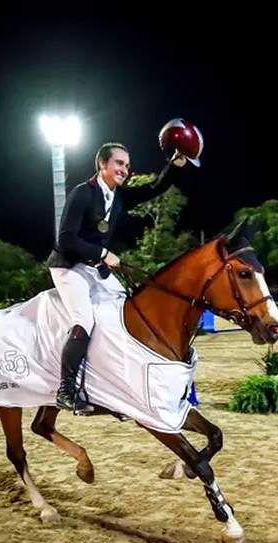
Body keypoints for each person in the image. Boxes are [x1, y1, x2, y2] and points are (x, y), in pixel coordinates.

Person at [46, 141, 189, 415]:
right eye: (119, 163)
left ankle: (119, 381)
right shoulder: (82, 193)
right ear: (103, 164)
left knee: (127, 309)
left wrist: (175, 163)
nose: (125, 168)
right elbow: (65, 240)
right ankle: (66, 390)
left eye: (126, 164)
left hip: (94, 268)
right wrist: (103, 252)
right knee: (84, 320)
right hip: (68, 266)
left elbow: (154, 188)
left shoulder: (119, 195)